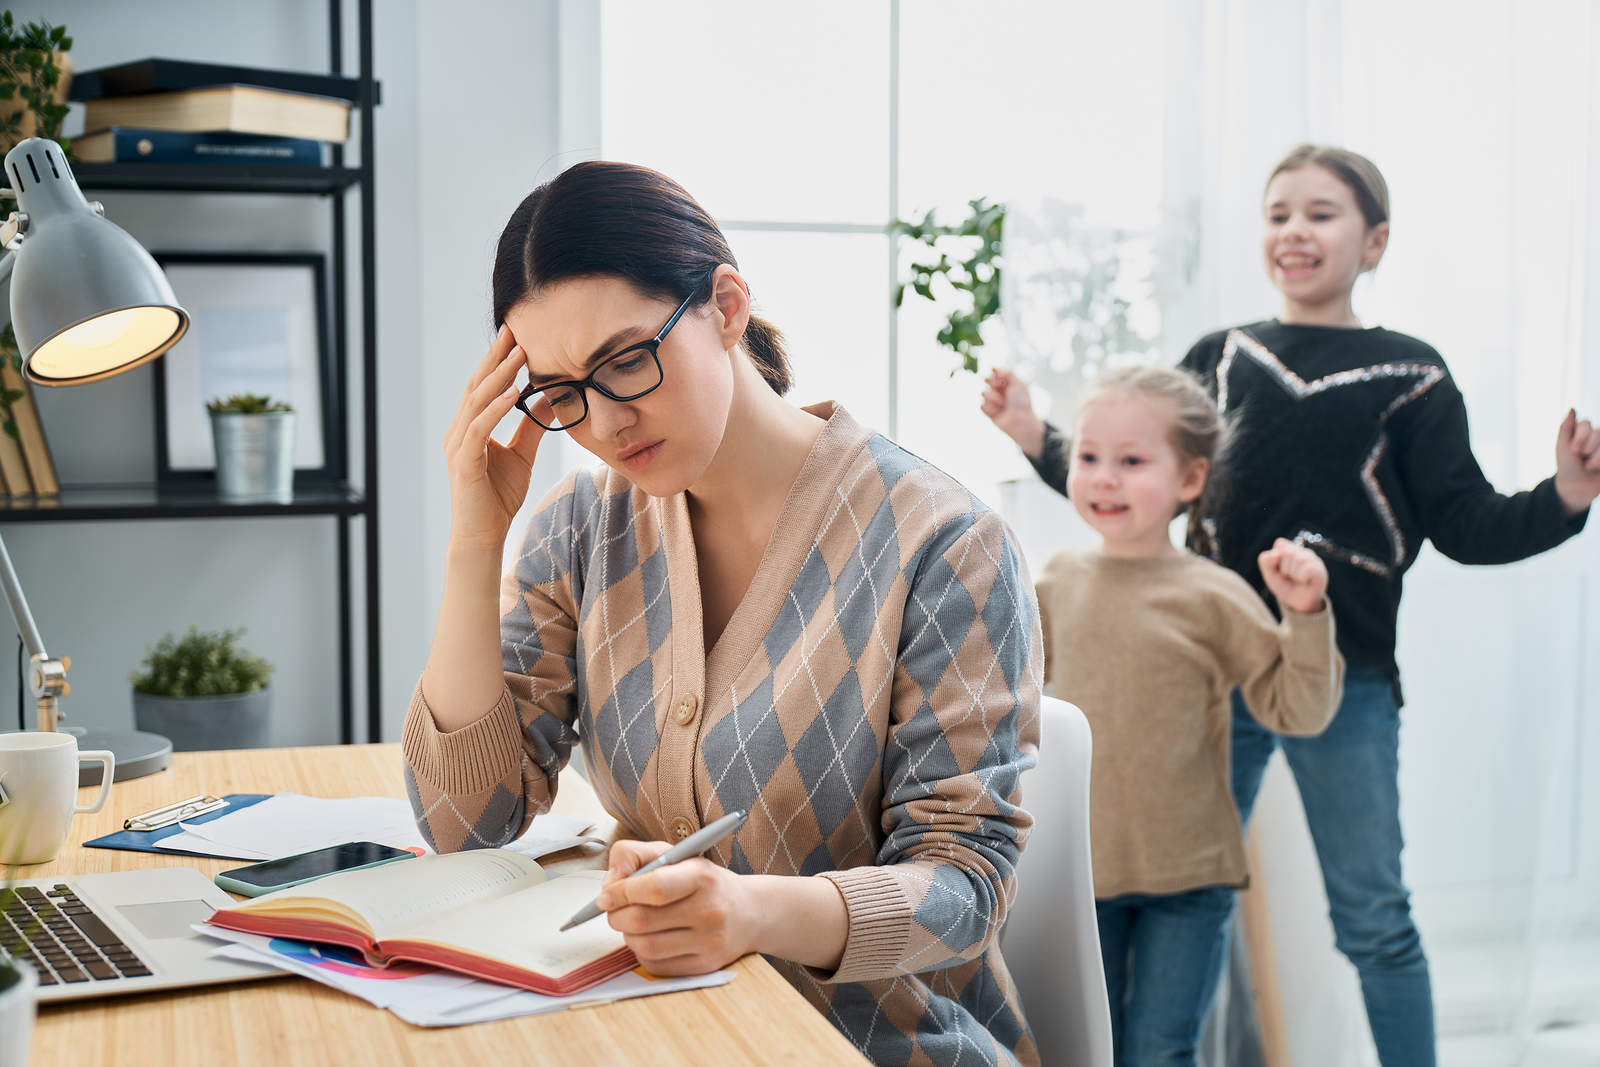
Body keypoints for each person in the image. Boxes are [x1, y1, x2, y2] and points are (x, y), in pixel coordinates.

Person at [403, 161, 1045, 1067]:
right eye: (560, 394)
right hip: (657, 1035)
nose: (607, 422)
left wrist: (753, 913)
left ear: (728, 306)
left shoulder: (944, 542)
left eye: (627, 359)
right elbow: (465, 824)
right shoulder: (580, 528)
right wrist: (476, 539)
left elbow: (968, 890)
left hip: (878, 1046)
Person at [983, 144, 1600, 1067]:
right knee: (1186, 886)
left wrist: (1563, 497)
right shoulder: (1223, 356)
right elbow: (1137, 468)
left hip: (1344, 681)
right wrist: (1042, 438)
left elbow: (1468, 522)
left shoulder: (1414, 374)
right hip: (1206, 676)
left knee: (1373, 916)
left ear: (1375, 240)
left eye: (1321, 213)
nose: (1295, 232)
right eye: (1278, 214)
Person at [1034, 365, 1342, 1066]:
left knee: (1160, 1050)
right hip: (1081, 873)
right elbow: (1013, 713)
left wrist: (1303, 617)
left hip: (1191, 878)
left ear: (1191, 479)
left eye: (1132, 460)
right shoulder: (1053, 581)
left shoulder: (1213, 593)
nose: (1103, 478)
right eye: (1088, 457)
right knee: (1086, 1047)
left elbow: (1297, 709)